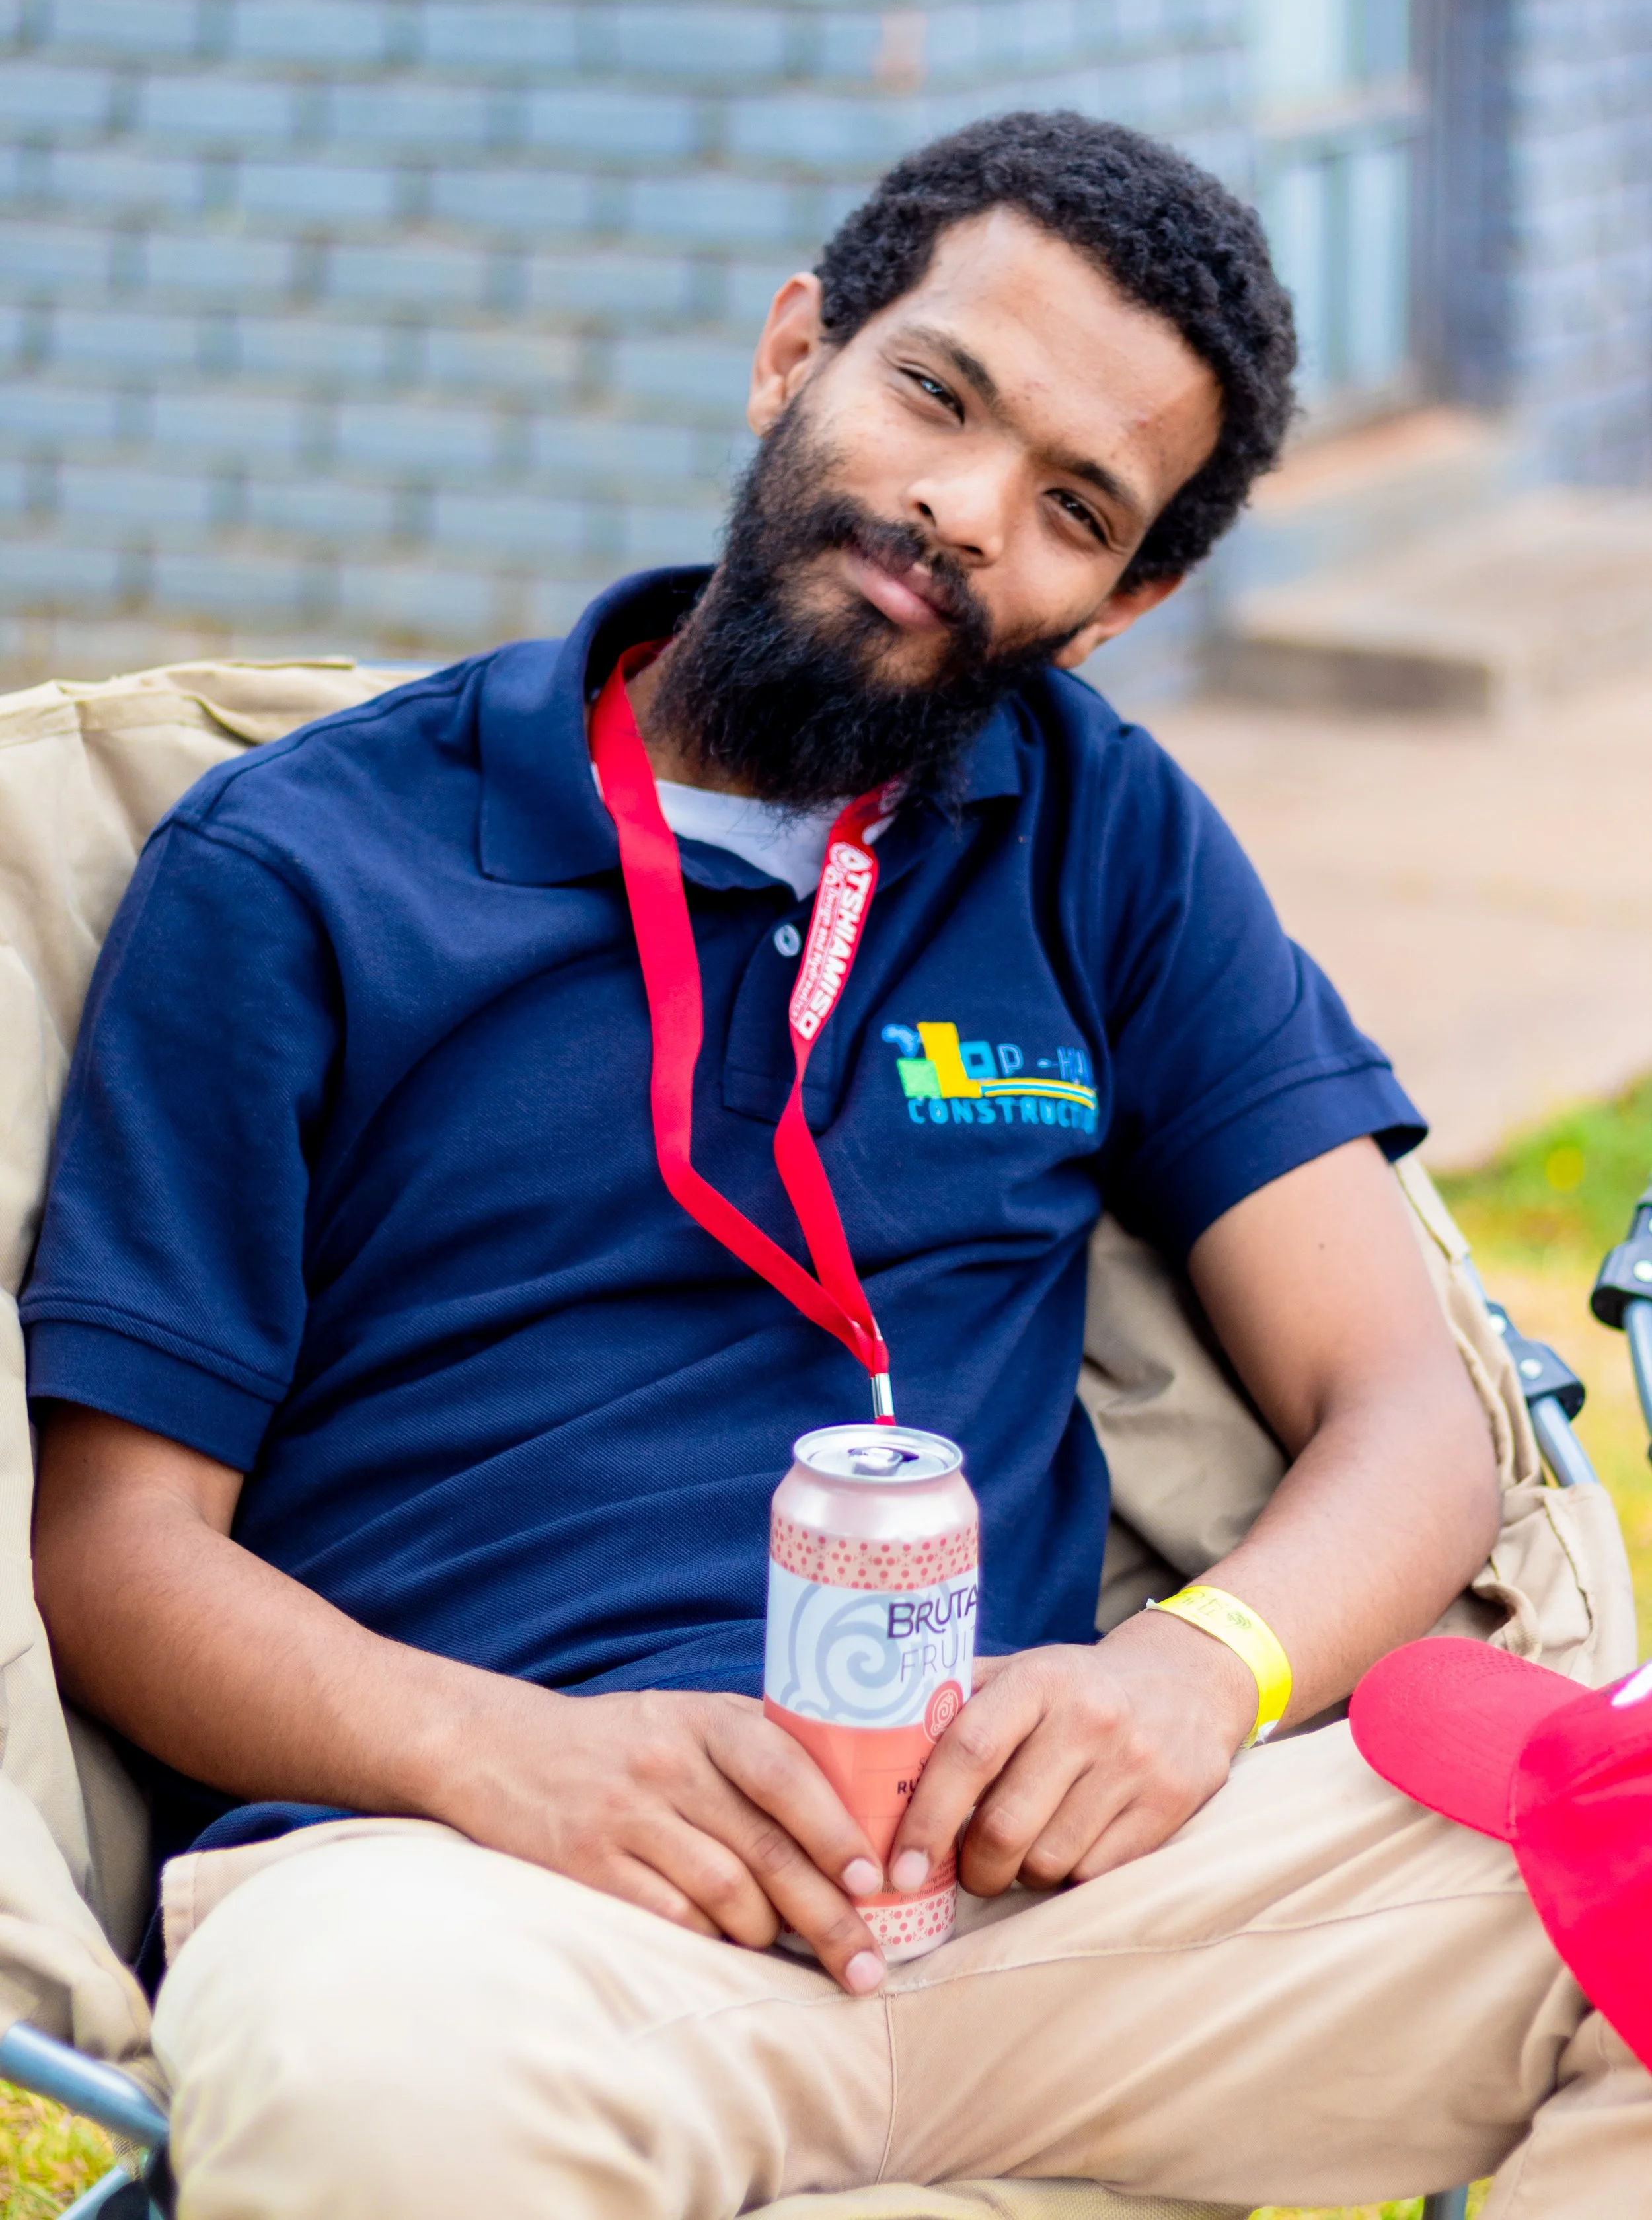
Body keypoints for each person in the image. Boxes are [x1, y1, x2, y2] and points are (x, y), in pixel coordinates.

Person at [22, 112, 1644, 2217]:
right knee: (356, 2090)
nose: (958, 511)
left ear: (1125, 597)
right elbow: (117, 1556)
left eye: (1071, 507)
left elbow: (1407, 1408)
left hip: (1067, 1908)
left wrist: (1190, 1671)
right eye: (935, 394)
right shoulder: (307, 867)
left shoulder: (1097, 836)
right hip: (495, 1916)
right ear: (797, 347)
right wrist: (496, 1756)